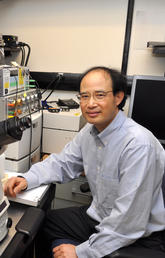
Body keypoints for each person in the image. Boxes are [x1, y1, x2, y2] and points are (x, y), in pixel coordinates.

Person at [4, 66, 165, 258]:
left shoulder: (138, 145)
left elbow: (128, 221)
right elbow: (62, 163)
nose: (90, 104)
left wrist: (81, 252)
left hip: (136, 235)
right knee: (39, 222)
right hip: (99, 217)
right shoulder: (90, 132)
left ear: (118, 97)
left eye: (99, 95)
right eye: (84, 96)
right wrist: (27, 178)